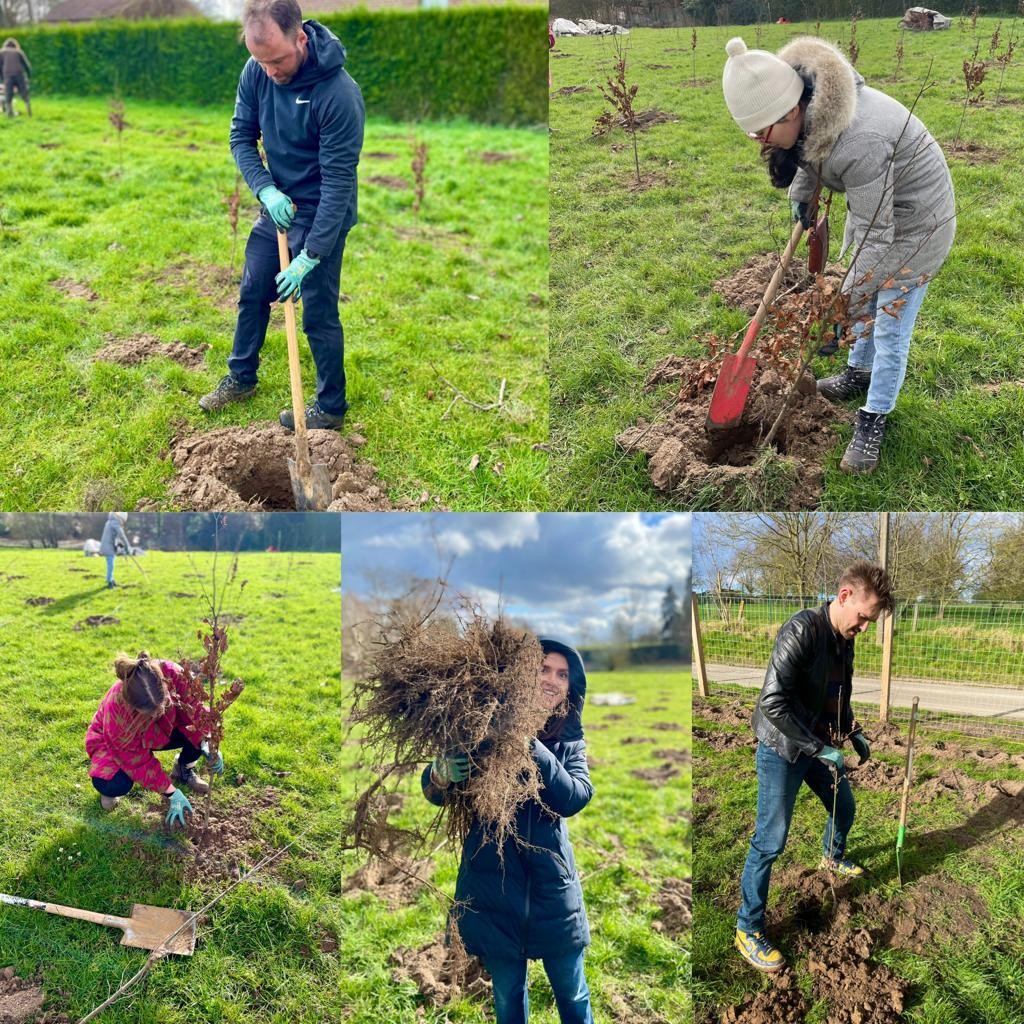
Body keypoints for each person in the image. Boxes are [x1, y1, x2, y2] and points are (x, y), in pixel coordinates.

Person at [722, 36, 956, 474]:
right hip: (881, 214)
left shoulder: (859, 140)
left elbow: (875, 236)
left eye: (761, 132)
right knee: (862, 293)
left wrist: (839, 305)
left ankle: (874, 417)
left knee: (888, 321)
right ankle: (856, 374)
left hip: (919, 226)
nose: (759, 143)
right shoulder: (812, 103)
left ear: (792, 111)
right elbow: (810, 153)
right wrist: (802, 190)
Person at [200, 0, 365, 432]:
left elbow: (337, 183)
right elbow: (240, 136)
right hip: (278, 205)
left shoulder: (338, 94)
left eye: (276, 60)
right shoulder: (255, 71)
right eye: (260, 60)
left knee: (319, 313)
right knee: (253, 292)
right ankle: (240, 379)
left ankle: (330, 408)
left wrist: (310, 255)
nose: (269, 71)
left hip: (323, 210)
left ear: (301, 38)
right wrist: (265, 188)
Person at [422, 638, 595, 1024]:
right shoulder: (480, 726)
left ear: (571, 685)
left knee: (573, 994)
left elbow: (574, 797)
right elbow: (436, 791)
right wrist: (439, 775)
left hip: (553, 893)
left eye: (562, 674)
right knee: (507, 1000)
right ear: (520, 674)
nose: (551, 680)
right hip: (492, 889)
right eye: (542, 669)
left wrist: (530, 743)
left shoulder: (569, 742)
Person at [734, 561, 895, 972]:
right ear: (845, 597)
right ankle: (747, 928)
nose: (864, 628)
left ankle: (832, 855)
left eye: (870, 622)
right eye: (863, 618)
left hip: (817, 744)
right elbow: (772, 704)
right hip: (783, 750)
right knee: (770, 840)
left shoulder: (845, 639)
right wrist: (817, 747)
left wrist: (851, 729)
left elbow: (835, 693)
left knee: (845, 808)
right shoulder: (802, 630)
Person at [85, 652, 223, 828]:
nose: (156, 714)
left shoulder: (175, 675)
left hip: (163, 730)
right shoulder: (117, 710)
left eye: (161, 706)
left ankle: (184, 770)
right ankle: (110, 793)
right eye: (150, 712)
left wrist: (209, 743)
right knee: (113, 783)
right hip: (114, 742)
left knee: (196, 733)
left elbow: (195, 712)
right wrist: (172, 793)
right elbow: (134, 760)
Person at [1, 39, 31, 118]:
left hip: (7, 75)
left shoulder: (2, 52)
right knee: (24, 94)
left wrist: (2, 77)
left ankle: (9, 114)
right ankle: (29, 112)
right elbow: (27, 65)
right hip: (19, 74)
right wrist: (29, 76)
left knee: (8, 95)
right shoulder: (18, 52)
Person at [99, 512, 129, 589]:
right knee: (111, 565)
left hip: (108, 546)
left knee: (111, 564)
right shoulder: (115, 523)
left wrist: (119, 544)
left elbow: (114, 536)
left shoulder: (110, 522)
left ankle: (111, 580)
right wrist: (128, 546)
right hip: (108, 547)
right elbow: (121, 535)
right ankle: (109, 582)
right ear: (120, 518)